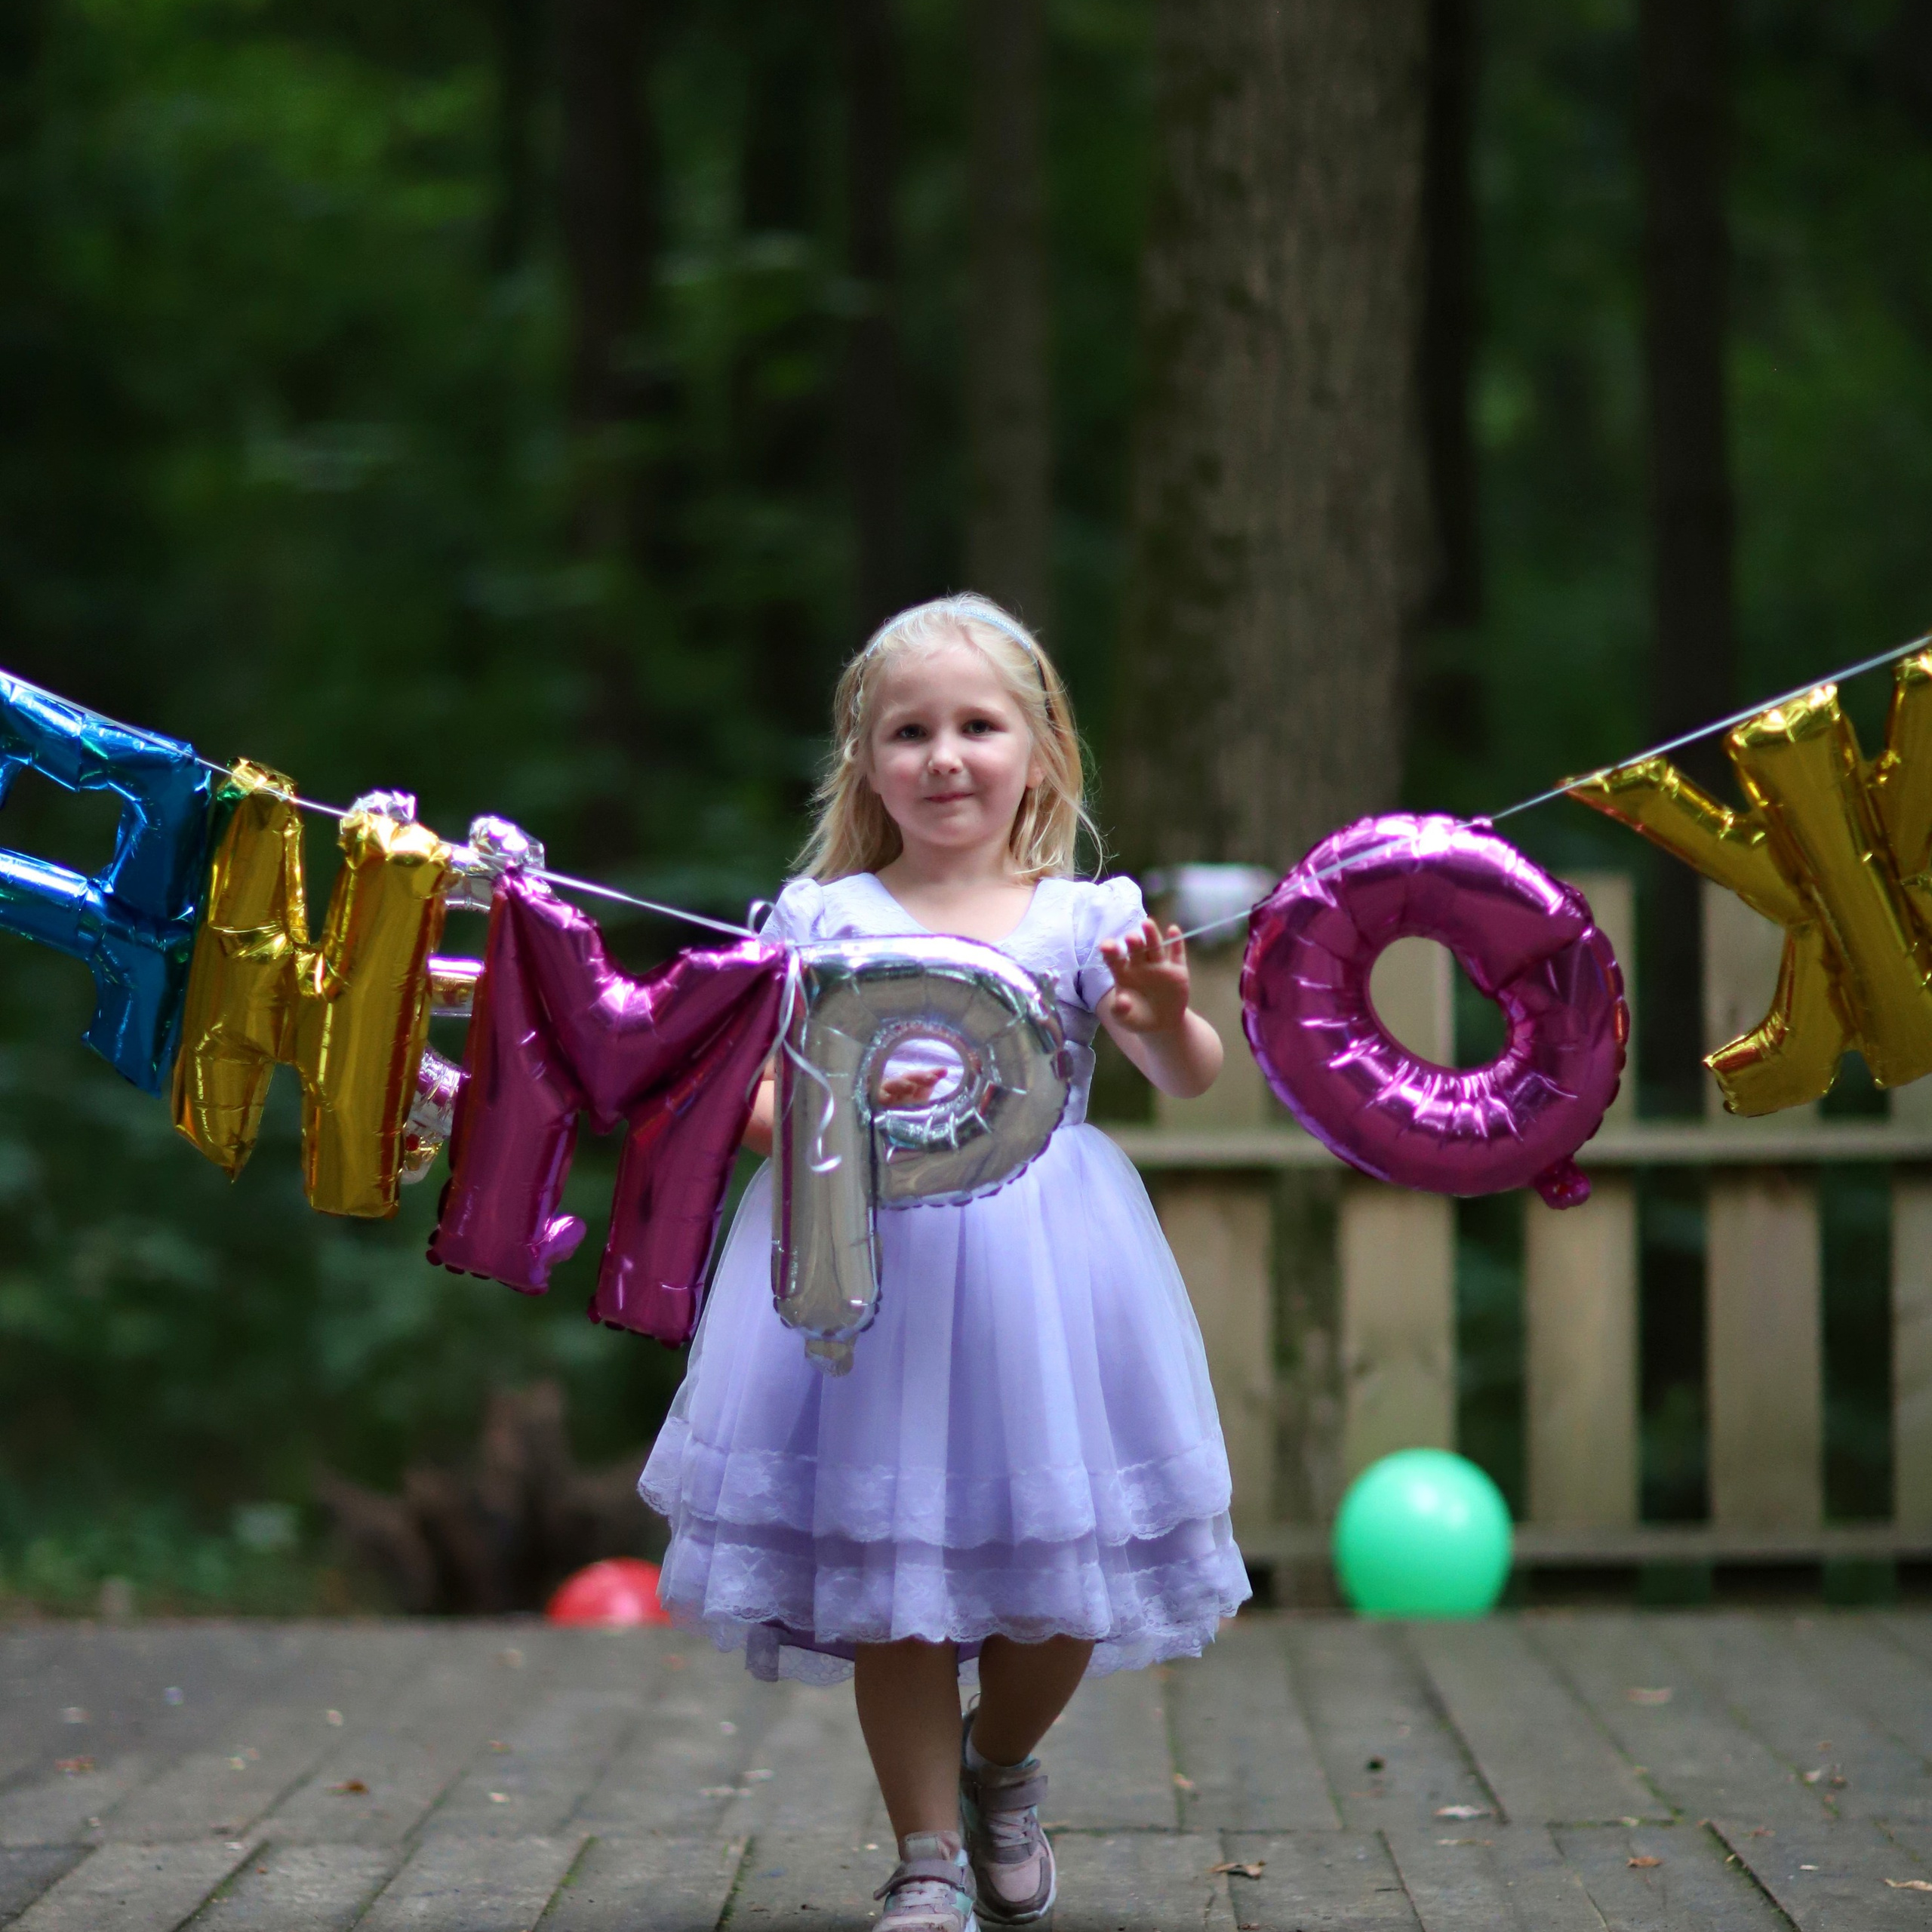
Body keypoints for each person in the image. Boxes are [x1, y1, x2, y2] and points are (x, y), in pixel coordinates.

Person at [640, 592, 1250, 1932]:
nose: (946, 756)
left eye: (979, 725)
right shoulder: (822, 915)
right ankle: (924, 1859)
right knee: (894, 1580)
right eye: (910, 731)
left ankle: (1001, 1766)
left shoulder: (1083, 916)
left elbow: (1185, 1074)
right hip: (874, 1275)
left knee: (1063, 1578)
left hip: (1050, 1272)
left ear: (1041, 749)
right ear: (865, 763)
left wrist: (1160, 1016)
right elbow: (751, 1096)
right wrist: (827, 1123)